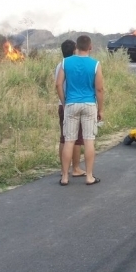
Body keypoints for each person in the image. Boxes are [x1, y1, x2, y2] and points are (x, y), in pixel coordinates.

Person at [56, 35, 104, 186]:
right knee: (89, 140)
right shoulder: (95, 64)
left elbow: (58, 84)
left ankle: (64, 177)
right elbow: (100, 89)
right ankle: (89, 176)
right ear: (90, 47)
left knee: (69, 140)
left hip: (71, 104)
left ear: (77, 47)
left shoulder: (65, 62)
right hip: (89, 104)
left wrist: (64, 103)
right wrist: (100, 109)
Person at [55, 39, 86, 178]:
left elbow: (58, 85)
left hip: (62, 105)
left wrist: (63, 102)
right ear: (74, 50)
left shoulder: (59, 65)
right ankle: (76, 168)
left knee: (64, 138)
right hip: (74, 103)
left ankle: (64, 170)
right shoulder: (74, 65)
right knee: (77, 139)